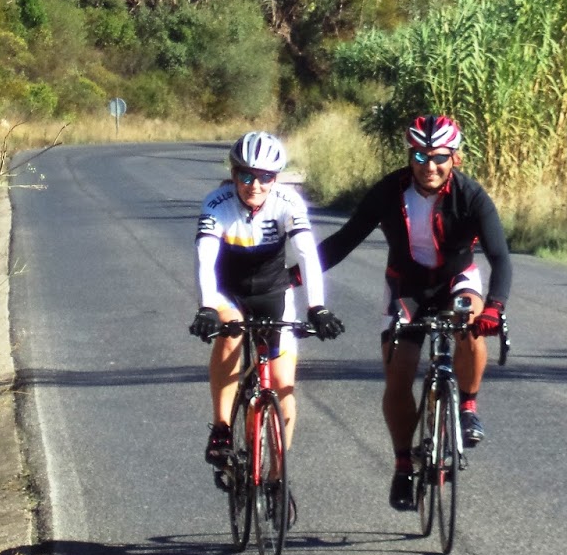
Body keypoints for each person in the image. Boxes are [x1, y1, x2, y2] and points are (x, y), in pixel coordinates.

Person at [317, 114, 511, 512]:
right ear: (410, 156)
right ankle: (403, 464)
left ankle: (468, 407)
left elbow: (500, 256)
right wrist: (293, 276)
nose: (429, 165)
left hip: (456, 279)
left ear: (455, 158)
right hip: (406, 285)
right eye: (420, 156)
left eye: (438, 156)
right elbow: (345, 239)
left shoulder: (471, 195)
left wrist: (494, 306)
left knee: (471, 323)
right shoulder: (390, 190)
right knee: (398, 372)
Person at [190, 132, 343, 496]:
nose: (255, 185)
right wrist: (207, 306)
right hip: (228, 292)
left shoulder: (288, 202)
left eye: (265, 177)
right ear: (233, 173)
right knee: (231, 331)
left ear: (276, 178)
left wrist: (317, 306)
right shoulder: (217, 203)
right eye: (246, 175)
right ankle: (222, 428)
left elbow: (306, 253)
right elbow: (205, 258)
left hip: (273, 293)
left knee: (282, 386)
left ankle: (276, 478)